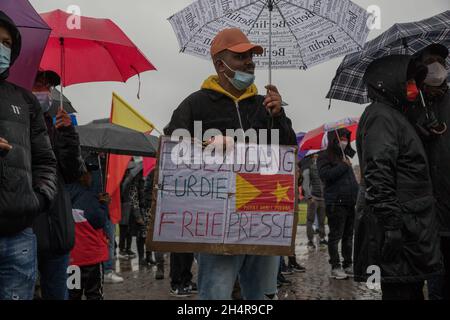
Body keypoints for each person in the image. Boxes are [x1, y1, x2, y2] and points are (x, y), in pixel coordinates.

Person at [164, 28, 297, 300]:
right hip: (217, 227)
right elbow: (172, 153)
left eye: (251, 56)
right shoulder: (194, 105)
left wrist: (279, 117)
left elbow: (288, 155)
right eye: (240, 56)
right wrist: (206, 147)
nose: (249, 61)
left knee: (261, 297)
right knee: (216, 294)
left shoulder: (266, 104)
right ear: (219, 64)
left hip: (262, 219)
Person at [354, 54, 442, 300]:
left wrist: (422, 130)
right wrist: (391, 225)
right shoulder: (381, 116)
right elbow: (378, 172)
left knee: (410, 290)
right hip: (400, 227)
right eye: (408, 81)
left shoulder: (395, 115)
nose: (413, 88)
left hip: (411, 225)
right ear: (387, 82)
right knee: (401, 292)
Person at [0, 11, 57, 300]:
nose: (1, 48)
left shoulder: (25, 100)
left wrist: (38, 200)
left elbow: (46, 161)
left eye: (6, 43)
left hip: (18, 234)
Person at [31, 71, 85, 300]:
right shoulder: (12, 122)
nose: (46, 91)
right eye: (40, 84)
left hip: (57, 231)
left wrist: (68, 135)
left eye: (49, 86)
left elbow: (73, 173)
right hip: (25, 231)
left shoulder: (57, 126)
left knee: (57, 293)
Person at [405, 44, 450, 300]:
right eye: (431, 60)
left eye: (441, 61)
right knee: (435, 277)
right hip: (424, 213)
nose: (437, 66)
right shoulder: (411, 107)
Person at [317, 128, 358, 280]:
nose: (345, 140)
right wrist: (343, 166)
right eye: (342, 137)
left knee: (349, 235)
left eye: (346, 138)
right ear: (334, 139)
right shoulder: (324, 156)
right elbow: (325, 175)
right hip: (335, 202)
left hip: (349, 202)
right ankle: (336, 266)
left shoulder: (345, 155)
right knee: (335, 236)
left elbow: (351, 181)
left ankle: (348, 264)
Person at [66, 164, 110, 300]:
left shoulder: (65, 194)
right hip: (91, 256)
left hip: (72, 257)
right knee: (94, 294)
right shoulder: (90, 196)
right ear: (85, 176)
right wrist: (103, 204)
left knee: (73, 294)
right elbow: (98, 221)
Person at [302, 153, 327, 250]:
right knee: (310, 220)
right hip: (313, 198)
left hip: (322, 198)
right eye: (315, 156)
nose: (317, 157)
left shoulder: (322, 168)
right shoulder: (308, 168)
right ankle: (310, 241)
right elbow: (305, 184)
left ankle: (322, 239)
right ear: (312, 157)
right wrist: (309, 197)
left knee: (321, 221)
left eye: (318, 156)